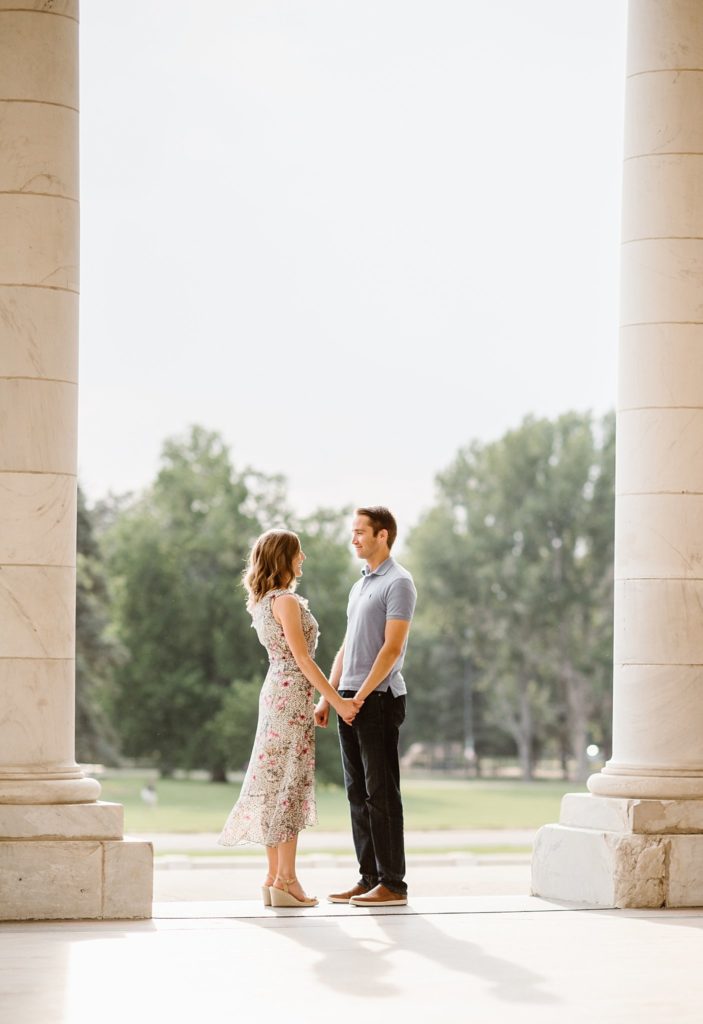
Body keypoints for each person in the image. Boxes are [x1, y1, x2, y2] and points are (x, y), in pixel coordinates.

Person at [218, 528, 359, 908]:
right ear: (283, 558)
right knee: (290, 784)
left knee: (273, 778)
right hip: (291, 694)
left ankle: (272, 877)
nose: (304, 558)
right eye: (298, 552)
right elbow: (303, 659)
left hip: (275, 691)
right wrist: (337, 702)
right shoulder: (287, 601)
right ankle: (287, 879)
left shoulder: (263, 601)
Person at [315, 506, 417, 907]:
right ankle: (369, 877)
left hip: (378, 700)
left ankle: (394, 883)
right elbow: (346, 646)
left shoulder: (400, 583)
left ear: (383, 536)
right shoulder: (359, 586)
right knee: (358, 794)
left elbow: (392, 649)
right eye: (353, 532)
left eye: (360, 532)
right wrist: (330, 698)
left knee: (382, 794)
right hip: (348, 702)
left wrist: (359, 697)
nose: (354, 538)